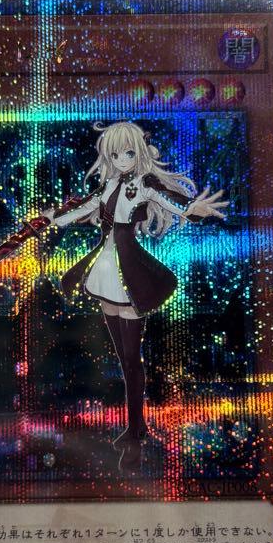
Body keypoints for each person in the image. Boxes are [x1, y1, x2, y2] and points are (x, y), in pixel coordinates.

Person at [45, 121, 228, 471]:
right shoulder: (108, 184)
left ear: (139, 152)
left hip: (130, 274)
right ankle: (136, 427)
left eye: (128, 153)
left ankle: (134, 434)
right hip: (105, 271)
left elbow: (170, 199)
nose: (122, 159)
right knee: (123, 359)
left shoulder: (144, 183)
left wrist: (191, 208)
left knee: (132, 360)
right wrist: (52, 218)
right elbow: (83, 208)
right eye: (115, 154)